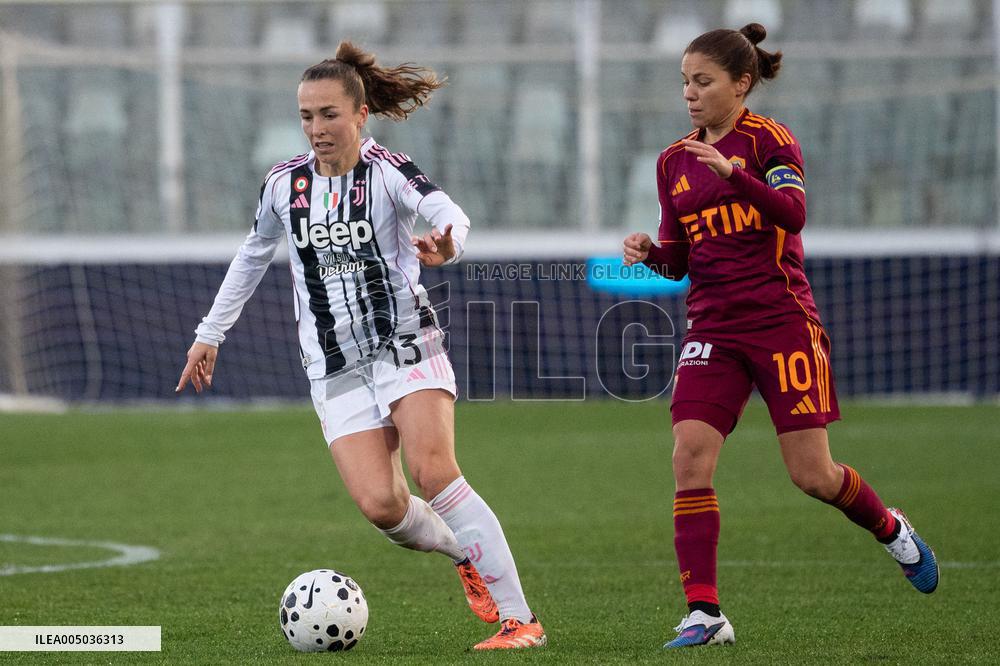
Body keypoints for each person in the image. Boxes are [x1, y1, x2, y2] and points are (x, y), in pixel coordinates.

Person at [176, 42, 545, 651]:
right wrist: (208, 334)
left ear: (360, 115)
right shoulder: (282, 186)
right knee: (381, 506)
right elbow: (252, 255)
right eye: (306, 116)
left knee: (434, 472)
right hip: (334, 365)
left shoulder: (387, 172)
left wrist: (449, 241)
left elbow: (445, 208)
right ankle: (464, 551)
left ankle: (520, 620)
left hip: (405, 344)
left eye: (329, 114)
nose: (317, 128)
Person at [622, 23, 939, 649]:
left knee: (812, 475)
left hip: (781, 321)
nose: (689, 93)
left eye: (703, 81)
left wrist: (735, 173)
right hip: (713, 326)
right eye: (684, 81)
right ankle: (705, 614)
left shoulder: (771, 142)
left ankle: (889, 526)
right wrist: (650, 253)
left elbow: (794, 215)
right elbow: (681, 260)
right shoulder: (672, 162)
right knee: (689, 456)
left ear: (742, 84)